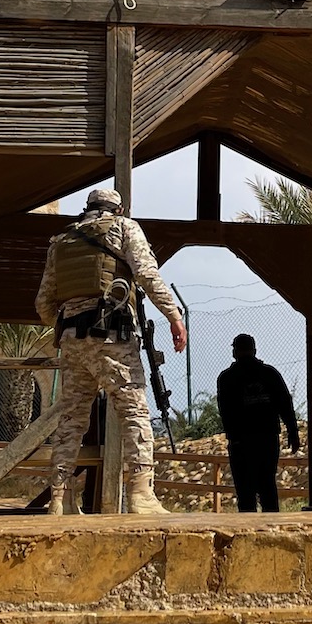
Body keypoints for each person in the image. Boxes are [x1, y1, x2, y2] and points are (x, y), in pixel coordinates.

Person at [35, 186, 187, 516]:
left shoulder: (60, 242)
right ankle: (141, 493)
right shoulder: (124, 228)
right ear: (117, 209)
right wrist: (174, 315)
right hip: (111, 333)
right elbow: (146, 274)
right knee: (133, 410)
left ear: (87, 207)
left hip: (73, 338)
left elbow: (44, 305)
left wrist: (72, 320)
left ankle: (60, 498)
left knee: (72, 420)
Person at [216, 334, 301, 513]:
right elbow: (285, 404)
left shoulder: (227, 378)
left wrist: (233, 438)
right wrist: (292, 431)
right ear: (254, 350)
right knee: (267, 487)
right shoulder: (269, 374)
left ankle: (247, 533)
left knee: (245, 493)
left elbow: (226, 413)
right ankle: (271, 531)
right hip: (267, 438)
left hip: (241, 442)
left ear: (234, 352)